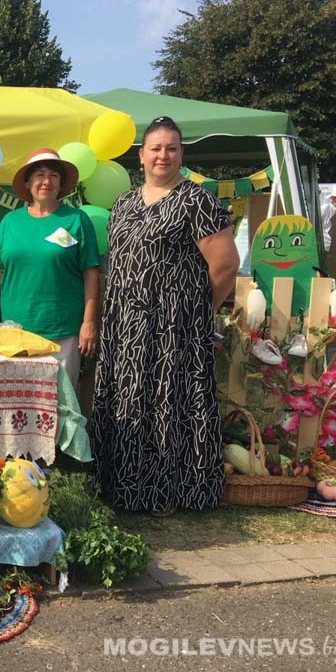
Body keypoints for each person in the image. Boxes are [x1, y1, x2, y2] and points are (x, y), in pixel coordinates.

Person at [92, 116, 240, 516]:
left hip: (175, 329)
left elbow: (225, 265)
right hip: (126, 328)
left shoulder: (198, 201)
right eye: (155, 148)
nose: (163, 155)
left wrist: (198, 310)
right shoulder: (123, 203)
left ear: (181, 155)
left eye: (171, 148)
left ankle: (165, 493)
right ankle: (121, 483)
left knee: (167, 406)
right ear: (140, 156)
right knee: (127, 402)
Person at [0, 148, 101, 388]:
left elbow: (91, 274)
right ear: (28, 182)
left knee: (61, 405)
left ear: (61, 184)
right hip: (15, 332)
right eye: (39, 174)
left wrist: (89, 322)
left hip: (63, 331)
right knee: (18, 405)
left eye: (54, 175)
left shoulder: (77, 220)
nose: (46, 181)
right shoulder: (10, 222)